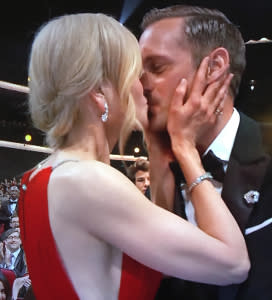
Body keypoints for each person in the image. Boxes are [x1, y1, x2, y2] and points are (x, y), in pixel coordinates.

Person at [18, 13, 249, 300]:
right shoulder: (91, 181)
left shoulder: (42, 175)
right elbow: (234, 263)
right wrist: (186, 150)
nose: (146, 87)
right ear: (99, 93)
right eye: (137, 74)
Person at [139, 4, 272, 300]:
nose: (140, 85)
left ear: (213, 68)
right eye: (138, 72)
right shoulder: (162, 169)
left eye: (157, 67)